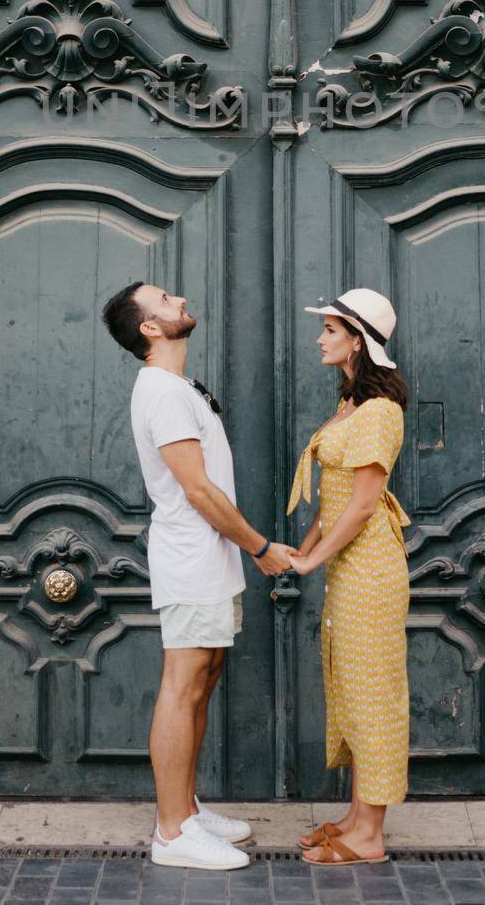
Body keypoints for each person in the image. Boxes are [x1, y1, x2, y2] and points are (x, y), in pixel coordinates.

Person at [101, 281, 292, 871]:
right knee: (182, 685)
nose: (179, 300)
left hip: (211, 560)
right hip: (190, 558)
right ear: (150, 329)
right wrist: (259, 547)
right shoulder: (161, 391)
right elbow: (198, 489)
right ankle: (171, 832)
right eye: (163, 300)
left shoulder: (177, 386)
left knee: (203, 677)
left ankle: (185, 807)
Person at [286, 287, 410, 867]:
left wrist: (312, 561)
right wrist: (303, 548)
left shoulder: (380, 412)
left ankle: (370, 836)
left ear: (357, 339)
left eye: (331, 329)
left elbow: (362, 504)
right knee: (356, 693)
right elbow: (330, 504)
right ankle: (358, 818)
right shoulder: (351, 408)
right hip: (348, 566)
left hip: (371, 568)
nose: (320, 337)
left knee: (374, 694)